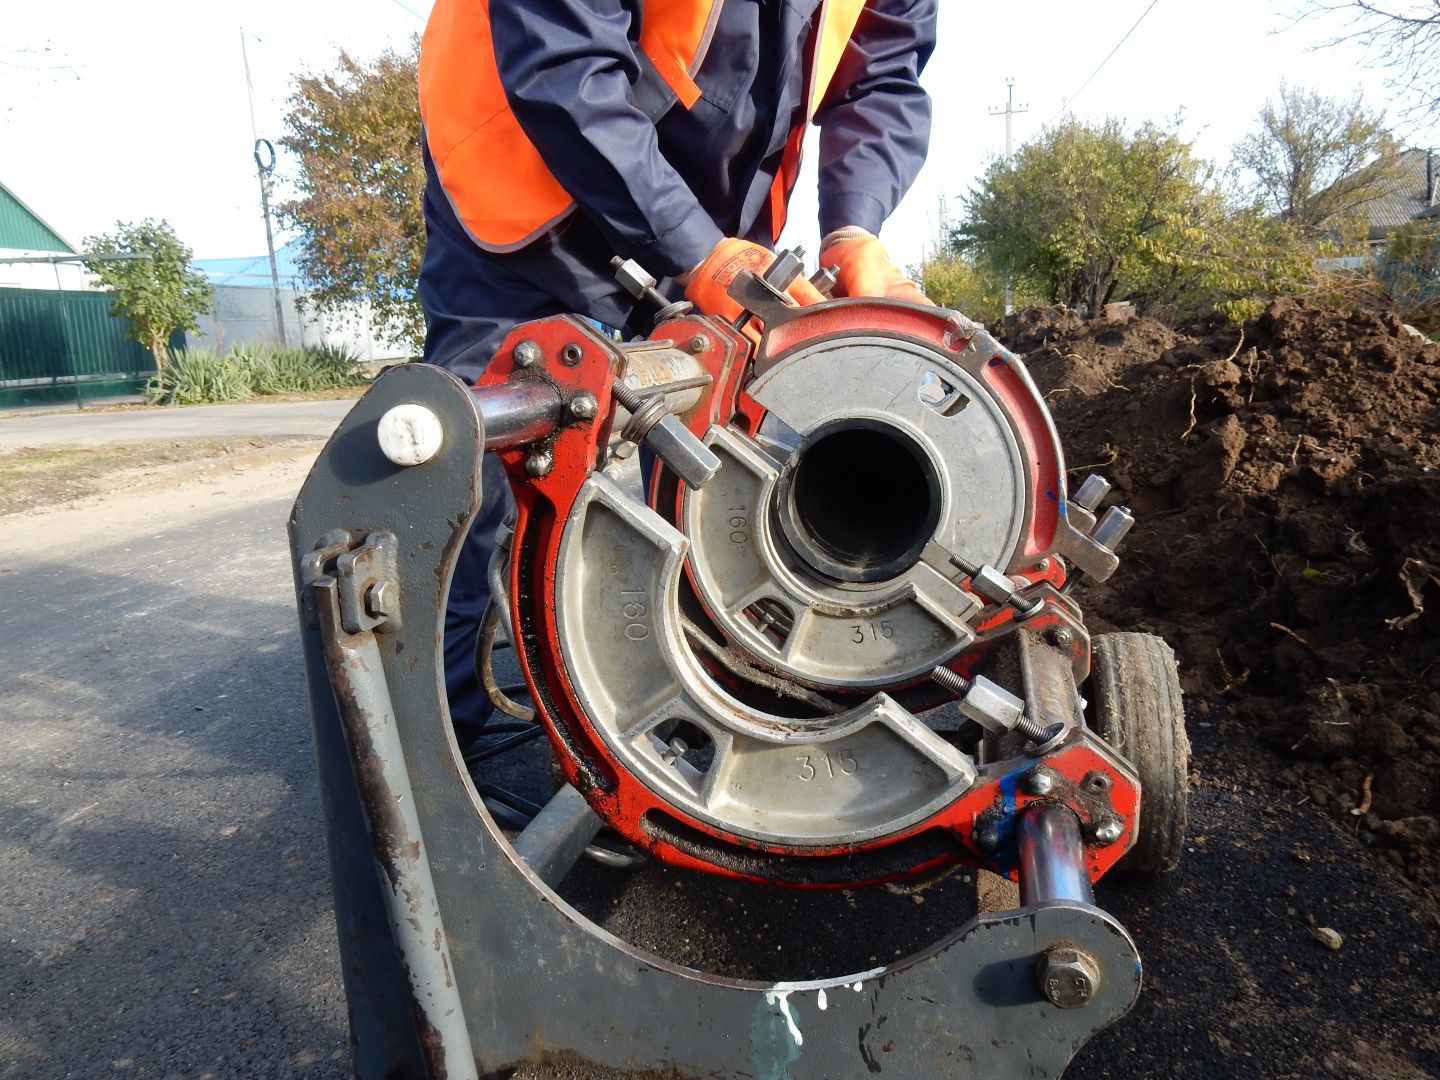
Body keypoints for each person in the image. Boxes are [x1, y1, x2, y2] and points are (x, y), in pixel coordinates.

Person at [417, 0, 938, 743]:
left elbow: (879, 80)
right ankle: (435, 747)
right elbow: (561, 57)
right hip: (528, 172)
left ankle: (679, 693)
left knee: (714, 449)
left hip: (712, 203)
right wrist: (688, 244)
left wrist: (854, 225)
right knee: (483, 451)